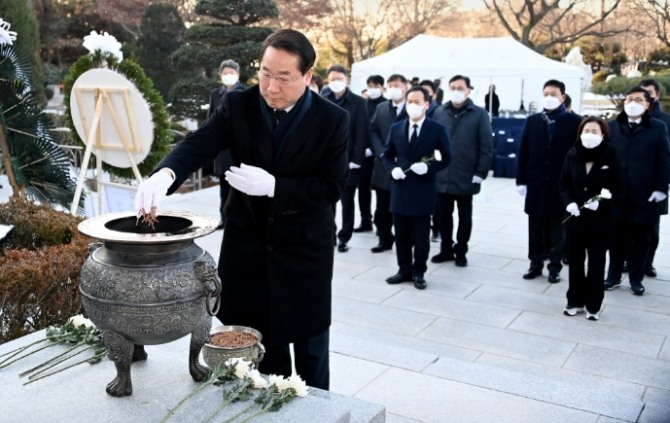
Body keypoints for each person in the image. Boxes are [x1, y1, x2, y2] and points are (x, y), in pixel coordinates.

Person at [134, 29, 349, 390]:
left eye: (283, 77)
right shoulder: (239, 106)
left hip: (303, 249)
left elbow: (332, 186)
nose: (271, 86)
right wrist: (165, 174)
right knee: (262, 345)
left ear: (308, 76)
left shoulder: (332, 119)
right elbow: (200, 142)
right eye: (265, 73)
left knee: (310, 344)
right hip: (248, 243)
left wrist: (276, 188)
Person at [382, 85, 451, 289]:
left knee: (421, 236)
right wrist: (391, 169)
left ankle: (419, 271)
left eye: (417, 102)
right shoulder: (396, 128)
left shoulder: (437, 129)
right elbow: (386, 154)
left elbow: (446, 157)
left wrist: (429, 167)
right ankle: (403, 270)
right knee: (401, 235)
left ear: (426, 105)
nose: (412, 105)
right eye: (410, 101)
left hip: (423, 189)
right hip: (400, 188)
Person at [604, 87, 670, 295]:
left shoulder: (658, 128)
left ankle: (636, 278)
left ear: (647, 105)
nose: (632, 102)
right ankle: (613, 276)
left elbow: (665, 159)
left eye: (638, 100)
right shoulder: (612, 126)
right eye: (629, 98)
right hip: (617, 195)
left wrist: (661, 188)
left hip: (645, 195)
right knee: (615, 238)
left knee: (641, 239)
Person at [516, 79, 582, 284]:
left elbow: (577, 155)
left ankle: (555, 267)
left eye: (553, 94)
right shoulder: (533, 120)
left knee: (557, 229)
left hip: (560, 184)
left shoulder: (574, 122)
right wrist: (521, 180)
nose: (549, 97)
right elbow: (524, 150)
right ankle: (535, 263)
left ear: (562, 97)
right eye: (546, 93)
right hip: (536, 182)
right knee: (534, 226)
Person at [559, 116, 623, 320]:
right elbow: (564, 183)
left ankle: (593, 304)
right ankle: (574, 300)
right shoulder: (572, 153)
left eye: (595, 131)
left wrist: (602, 202)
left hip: (600, 222)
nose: (590, 135)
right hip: (576, 220)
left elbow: (619, 186)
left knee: (596, 263)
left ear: (603, 134)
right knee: (575, 262)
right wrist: (568, 202)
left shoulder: (611, 155)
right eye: (587, 131)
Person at [431, 74, 493, 267]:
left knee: (465, 218)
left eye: (460, 88)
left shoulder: (479, 114)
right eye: (453, 88)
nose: (456, 91)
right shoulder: (440, 112)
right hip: (443, 175)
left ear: (468, 90)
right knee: (443, 216)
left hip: (467, 174)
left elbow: (486, 145)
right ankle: (446, 249)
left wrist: (481, 172)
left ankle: (461, 250)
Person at [324, 64, 369, 252]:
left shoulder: (358, 102)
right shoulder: (323, 99)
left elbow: (362, 132)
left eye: (339, 79)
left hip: (349, 160)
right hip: (326, 162)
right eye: (332, 79)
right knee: (328, 202)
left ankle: (344, 236)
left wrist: (357, 159)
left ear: (347, 80)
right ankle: (330, 234)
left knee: (347, 201)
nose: (336, 82)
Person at [369, 74, 409, 253]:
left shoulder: (412, 108)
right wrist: (381, 152)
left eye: (397, 85)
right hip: (383, 165)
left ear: (405, 87)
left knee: (401, 208)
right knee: (381, 208)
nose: (394, 88)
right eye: (390, 85)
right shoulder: (382, 108)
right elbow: (373, 130)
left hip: (404, 167)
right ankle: (384, 239)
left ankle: (404, 240)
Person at [208, 59, 246, 230]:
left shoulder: (245, 92)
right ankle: (225, 218)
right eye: (225, 73)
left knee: (240, 188)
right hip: (223, 150)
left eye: (232, 73)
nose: (228, 76)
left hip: (239, 148)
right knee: (224, 188)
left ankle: (240, 219)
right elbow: (210, 120)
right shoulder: (215, 94)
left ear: (237, 74)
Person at [639, 78, 670, 278]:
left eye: (649, 92)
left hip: (654, 183)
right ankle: (626, 260)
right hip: (630, 182)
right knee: (625, 225)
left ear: (657, 95)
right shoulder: (627, 118)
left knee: (651, 228)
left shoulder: (665, 121)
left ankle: (646, 262)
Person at [354, 75, 387, 233]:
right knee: (363, 187)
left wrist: (375, 150)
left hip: (381, 153)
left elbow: (384, 131)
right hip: (364, 154)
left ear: (382, 87)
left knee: (382, 190)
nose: (372, 89)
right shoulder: (364, 104)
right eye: (369, 86)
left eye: (375, 86)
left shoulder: (386, 105)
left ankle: (382, 223)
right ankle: (365, 219)